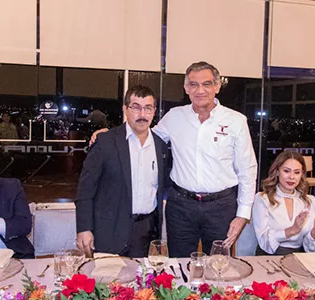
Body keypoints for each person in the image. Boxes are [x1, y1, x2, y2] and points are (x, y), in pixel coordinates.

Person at [91, 61, 258, 257]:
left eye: (206, 84)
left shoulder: (236, 121)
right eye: (193, 84)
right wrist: (112, 135)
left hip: (221, 207)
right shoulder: (175, 117)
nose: (200, 90)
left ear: (217, 86)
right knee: (179, 264)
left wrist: (242, 214)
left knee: (218, 264)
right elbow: (145, 136)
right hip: (181, 207)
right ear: (186, 88)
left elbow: (247, 170)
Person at [75, 85, 170, 258]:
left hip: (145, 233)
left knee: (143, 276)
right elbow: (85, 190)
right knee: (106, 275)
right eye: (136, 107)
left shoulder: (160, 146)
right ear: (126, 109)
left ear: (154, 111)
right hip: (109, 231)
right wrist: (84, 228)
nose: (142, 114)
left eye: (148, 108)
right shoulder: (105, 142)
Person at [252, 151, 315, 255]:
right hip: (270, 256)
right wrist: (292, 230)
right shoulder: (263, 199)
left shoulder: (309, 201)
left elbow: (312, 249)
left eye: (297, 172)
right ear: (277, 171)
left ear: (302, 175)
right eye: (286, 171)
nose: (292, 177)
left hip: (299, 256)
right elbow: (264, 241)